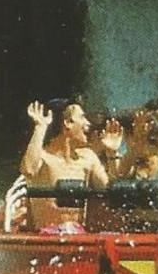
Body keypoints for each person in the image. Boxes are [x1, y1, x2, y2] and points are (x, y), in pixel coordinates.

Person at [19, 98, 119, 232]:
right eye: (82, 117)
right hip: (46, 239)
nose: (88, 123)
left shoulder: (88, 157)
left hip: (77, 237)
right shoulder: (41, 157)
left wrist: (112, 153)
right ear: (67, 123)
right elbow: (29, 170)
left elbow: (110, 193)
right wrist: (40, 127)